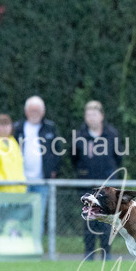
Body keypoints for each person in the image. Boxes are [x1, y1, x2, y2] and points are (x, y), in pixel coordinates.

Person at [71, 100, 122, 259]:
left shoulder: (111, 134)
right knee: (89, 218)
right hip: (87, 183)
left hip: (107, 184)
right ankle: (89, 253)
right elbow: (74, 158)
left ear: (101, 116)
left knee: (107, 218)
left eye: (94, 114)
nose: (91, 118)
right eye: (88, 114)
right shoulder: (79, 135)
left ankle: (107, 253)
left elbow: (118, 158)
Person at [12, 96, 61, 236]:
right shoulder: (18, 128)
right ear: (26, 111)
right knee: (19, 215)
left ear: (43, 111)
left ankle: (35, 247)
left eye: (38, 110)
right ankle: (19, 246)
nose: (35, 113)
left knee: (38, 216)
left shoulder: (50, 128)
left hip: (42, 181)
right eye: (32, 110)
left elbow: (58, 151)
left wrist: (53, 171)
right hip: (20, 181)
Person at [0, 113, 27, 192]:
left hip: (17, 190)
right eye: (2, 125)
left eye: (7, 125)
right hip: (0, 192)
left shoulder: (13, 142)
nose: (5, 128)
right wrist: (3, 183)